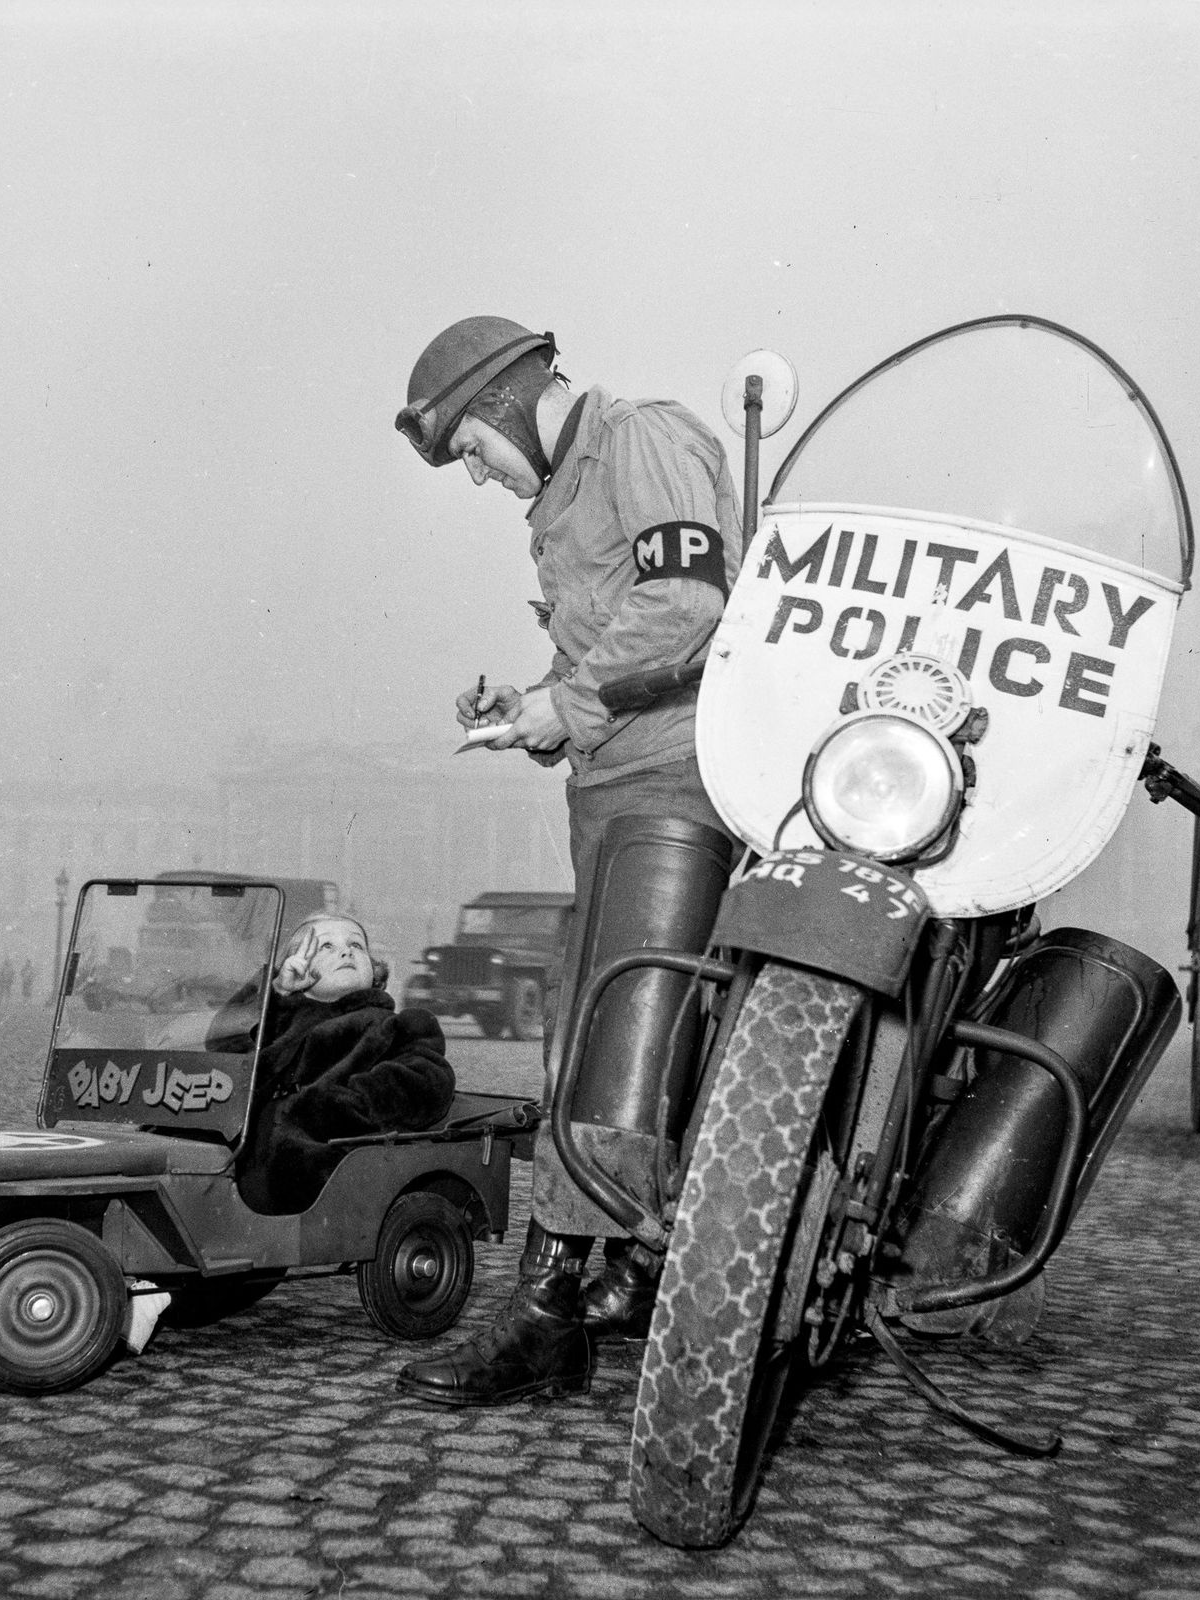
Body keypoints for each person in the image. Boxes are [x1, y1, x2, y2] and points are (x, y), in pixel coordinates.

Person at [393, 316, 744, 1406]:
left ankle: (548, 1315)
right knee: (598, 1029)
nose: (476, 475)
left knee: (619, 1038)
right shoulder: (555, 502)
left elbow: (687, 605)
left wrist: (570, 700)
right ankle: (629, 1273)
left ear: (504, 406)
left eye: (470, 450)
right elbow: (605, 642)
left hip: (675, 780)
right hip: (614, 785)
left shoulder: (638, 438)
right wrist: (530, 703)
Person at [237, 914, 457, 1215]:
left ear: (375, 970)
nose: (346, 951)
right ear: (296, 965)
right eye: (325, 946)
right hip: (245, 1153)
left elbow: (425, 1080)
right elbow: (225, 1047)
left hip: (327, 1158)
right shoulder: (277, 1021)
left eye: (357, 944)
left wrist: (326, 1104)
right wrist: (278, 992)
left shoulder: (398, 1025)